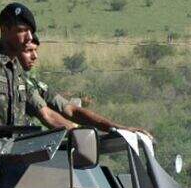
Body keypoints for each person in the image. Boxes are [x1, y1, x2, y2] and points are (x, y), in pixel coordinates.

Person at [19, 35, 148, 134]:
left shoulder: (32, 83)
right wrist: (81, 137)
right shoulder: (18, 82)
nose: (35, 56)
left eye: (35, 50)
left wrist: (117, 128)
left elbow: (71, 110)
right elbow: (47, 116)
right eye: (28, 50)